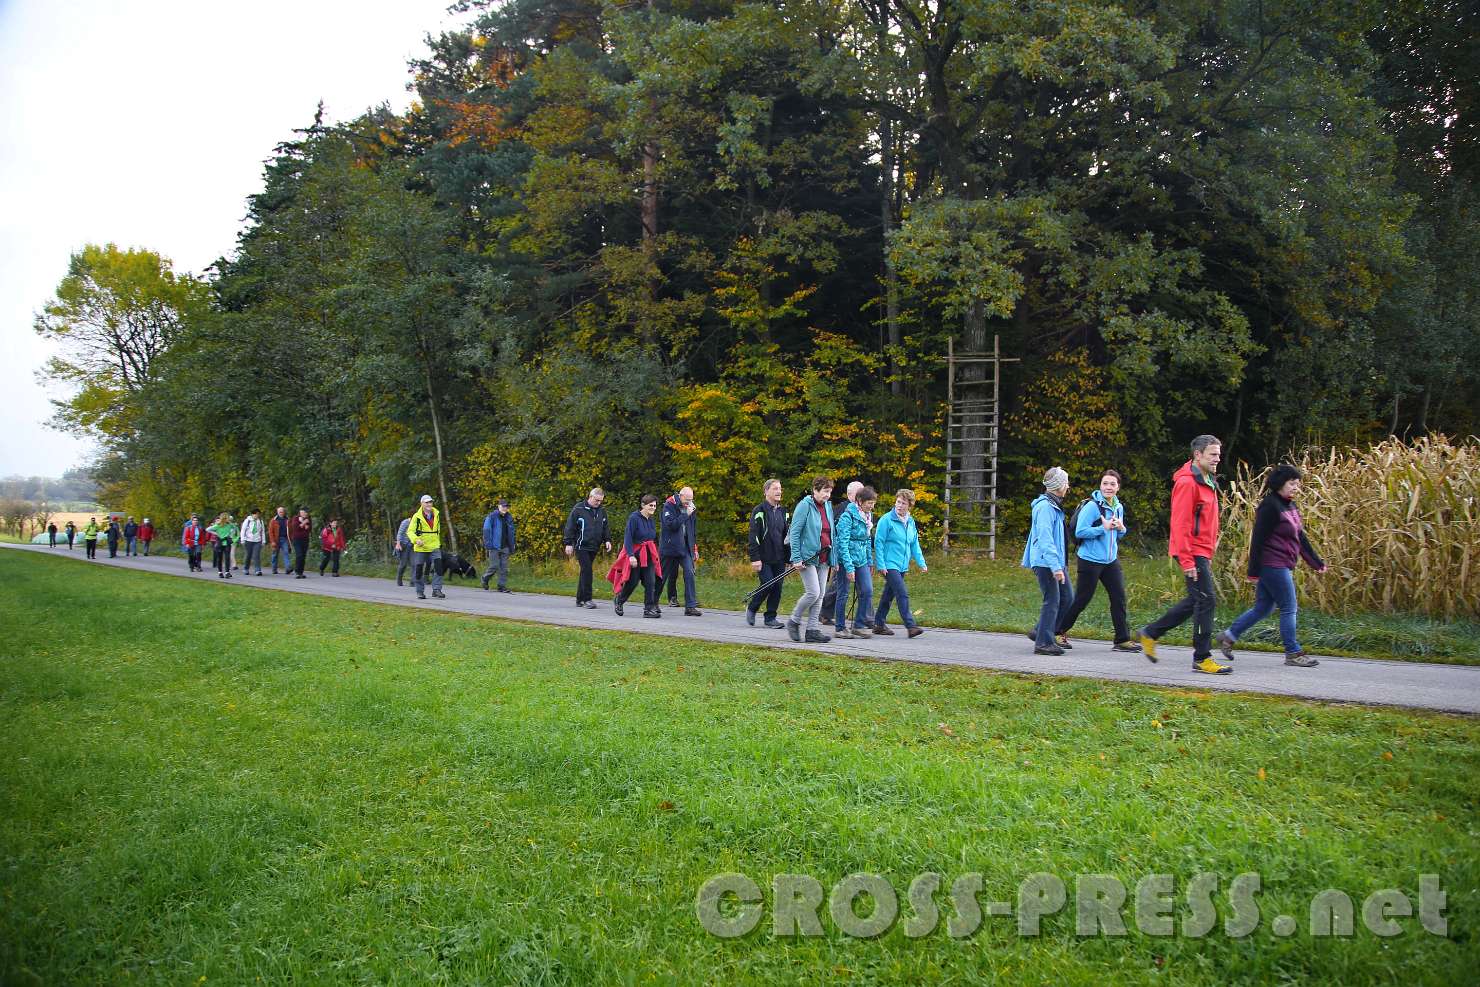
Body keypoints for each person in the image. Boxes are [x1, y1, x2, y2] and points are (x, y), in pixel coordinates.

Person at [1217, 465, 1328, 667]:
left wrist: (1316, 562)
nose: (1296, 488)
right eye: (1292, 484)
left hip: (1282, 563)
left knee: (1264, 608)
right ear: (1279, 484)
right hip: (1272, 563)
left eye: (1298, 484)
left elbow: (1299, 537)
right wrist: (1253, 571)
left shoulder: (1290, 505)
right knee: (1289, 607)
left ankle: (1229, 635)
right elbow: (1258, 539)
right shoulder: (1269, 506)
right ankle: (1293, 653)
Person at [1138, 434, 1231, 674]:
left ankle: (1150, 633)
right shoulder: (1188, 483)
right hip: (1190, 550)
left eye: (1218, 455)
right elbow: (1179, 524)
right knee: (1207, 600)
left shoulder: (1207, 479)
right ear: (1197, 455)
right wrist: (1188, 559)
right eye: (1212, 454)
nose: (1217, 459)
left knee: (1195, 600)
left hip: (1200, 550)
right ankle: (1202, 658)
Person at [1054, 470, 1141, 652]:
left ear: (1118, 487)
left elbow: (1118, 533)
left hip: (1110, 561)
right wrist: (1103, 528)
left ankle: (1122, 640)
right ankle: (1057, 632)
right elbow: (1080, 532)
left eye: (1112, 484)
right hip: (1090, 560)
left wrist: (1122, 528)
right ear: (1100, 486)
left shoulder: (1118, 507)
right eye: (1105, 484)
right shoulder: (1093, 507)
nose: (1108, 487)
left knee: (1119, 598)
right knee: (1082, 599)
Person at [1023, 468, 1074, 655]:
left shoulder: (1055, 505)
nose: (1068, 486)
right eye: (1066, 483)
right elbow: (1045, 539)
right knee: (1052, 600)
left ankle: (1040, 631)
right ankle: (1043, 643)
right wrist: (1055, 567)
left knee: (1068, 598)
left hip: (1055, 562)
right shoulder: (1045, 507)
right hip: (1046, 562)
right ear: (1059, 486)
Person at [872, 488, 928, 638]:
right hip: (889, 564)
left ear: (910, 505)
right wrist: (881, 564)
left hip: (902, 565)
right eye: (898, 502)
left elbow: (914, 544)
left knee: (888, 594)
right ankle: (911, 626)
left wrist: (921, 562)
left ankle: (878, 624)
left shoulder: (910, 521)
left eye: (903, 503)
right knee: (902, 593)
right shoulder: (886, 520)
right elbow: (879, 542)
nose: (900, 505)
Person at [786, 476, 836, 643]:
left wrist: (834, 559)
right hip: (808, 556)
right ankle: (794, 620)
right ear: (815, 490)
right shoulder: (804, 506)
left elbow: (831, 533)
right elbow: (795, 533)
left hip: (824, 556)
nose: (828, 495)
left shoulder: (828, 506)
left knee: (820, 594)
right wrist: (796, 557)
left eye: (830, 492)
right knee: (813, 592)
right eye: (825, 491)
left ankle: (812, 630)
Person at [833, 486, 877, 639]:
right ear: (859, 501)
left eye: (873, 503)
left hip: (862, 560)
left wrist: (870, 561)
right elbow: (842, 543)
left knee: (867, 591)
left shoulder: (867, 516)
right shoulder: (848, 516)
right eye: (869, 503)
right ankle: (839, 627)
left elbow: (867, 539)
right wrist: (849, 567)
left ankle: (859, 624)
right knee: (843, 593)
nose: (872, 506)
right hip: (846, 560)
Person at [610, 494, 663, 617]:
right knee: (632, 582)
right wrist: (631, 555)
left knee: (651, 582)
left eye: (655, 506)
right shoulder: (634, 518)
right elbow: (628, 538)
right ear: (643, 505)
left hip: (648, 555)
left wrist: (656, 553)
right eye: (650, 505)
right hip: (636, 555)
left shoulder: (651, 520)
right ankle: (619, 600)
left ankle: (648, 609)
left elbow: (652, 538)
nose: (653, 508)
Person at [745, 479, 789, 628]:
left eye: (780, 488)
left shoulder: (784, 511)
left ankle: (770, 618)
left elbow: (787, 536)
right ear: (766, 492)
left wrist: (789, 557)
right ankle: (752, 607)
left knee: (778, 587)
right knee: (768, 584)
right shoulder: (759, 511)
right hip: (763, 558)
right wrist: (755, 558)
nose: (779, 491)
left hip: (780, 557)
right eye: (775, 488)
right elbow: (753, 535)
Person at [562, 488, 611, 609]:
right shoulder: (578, 509)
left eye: (600, 501)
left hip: (594, 546)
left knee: (585, 572)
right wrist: (568, 543)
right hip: (581, 546)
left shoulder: (602, 511)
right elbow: (570, 526)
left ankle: (580, 599)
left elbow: (605, 527)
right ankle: (587, 599)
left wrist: (607, 540)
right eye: (596, 500)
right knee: (587, 570)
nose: (598, 503)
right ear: (590, 497)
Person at [661, 486, 701, 616]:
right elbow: (671, 525)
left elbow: (692, 529)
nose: (688, 502)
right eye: (687, 500)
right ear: (681, 495)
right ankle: (652, 602)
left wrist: (694, 547)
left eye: (691, 500)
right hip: (671, 547)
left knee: (689, 572)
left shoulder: (691, 507)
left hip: (685, 547)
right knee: (664, 575)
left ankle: (690, 606)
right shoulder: (669, 505)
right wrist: (685, 514)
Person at [410, 495, 445, 600]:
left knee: (439, 567)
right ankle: (420, 592)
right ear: (422, 504)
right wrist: (416, 540)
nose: (429, 504)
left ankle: (437, 590)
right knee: (419, 569)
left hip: (434, 546)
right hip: (421, 547)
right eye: (426, 502)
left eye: (430, 502)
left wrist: (438, 543)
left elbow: (437, 530)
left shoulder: (437, 514)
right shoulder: (417, 517)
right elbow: (410, 531)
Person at [480, 499, 517, 593]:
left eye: (506, 506)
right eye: (503, 506)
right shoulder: (492, 517)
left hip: (505, 546)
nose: (505, 508)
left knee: (504, 568)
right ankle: (485, 578)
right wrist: (488, 544)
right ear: (498, 506)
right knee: (494, 566)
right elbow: (486, 530)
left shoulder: (509, 517)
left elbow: (511, 533)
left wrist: (512, 546)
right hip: (494, 546)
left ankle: (501, 586)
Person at [208, 513, 236, 578]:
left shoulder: (229, 525)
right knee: (219, 558)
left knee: (227, 558)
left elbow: (234, 528)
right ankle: (220, 572)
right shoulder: (217, 525)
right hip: (220, 543)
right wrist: (216, 533)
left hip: (227, 543)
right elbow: (208, 529)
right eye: (227, 518)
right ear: (224, 518)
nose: (228, 519)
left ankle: (227, 572)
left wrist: (231, 534)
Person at [239, 509, 266, 575]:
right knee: (248, 555)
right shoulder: (247, 521)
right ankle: (246, 568)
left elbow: (262, 531)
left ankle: (257, 570)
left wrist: (263, 540)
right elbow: (243, 530)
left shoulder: (260, 521)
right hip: (248, 540)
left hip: (257, 541)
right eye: (256, 514)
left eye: (258, 514)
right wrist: (242, 539)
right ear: (252, 514)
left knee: (256, 555)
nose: (257, 515)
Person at [290, 508, 313, 579]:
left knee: (303, 556)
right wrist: (303, 523)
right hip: (297, 540)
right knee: (299, 555)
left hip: (305, 540)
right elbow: (296, 528)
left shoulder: (308, 519)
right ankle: (297, 572)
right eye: (301, 512)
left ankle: (301, 572)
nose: (302, 514)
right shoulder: (295, 518)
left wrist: (305, 524)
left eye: (304, 513)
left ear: (306, 513)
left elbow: (309, 529)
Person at [268, 507, 292, 574]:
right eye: (280, 512)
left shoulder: (287, 520)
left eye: (282, 511)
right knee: (275, 555)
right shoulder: (273, 520)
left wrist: (290, 539)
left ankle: (288, 568)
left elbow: (291, 531)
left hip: (284, 539)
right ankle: (274, 569)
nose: (281, 513)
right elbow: (270, 532)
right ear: (277, 512)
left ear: (284, 512)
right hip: (276, 540)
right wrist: (272, 541)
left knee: (286, 553)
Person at [393, 515, 414, 587]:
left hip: (412, 545)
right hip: (403, 546)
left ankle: (412, 582)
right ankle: (399, 579)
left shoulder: (417, 523)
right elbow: (400, 533)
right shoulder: (405, 522)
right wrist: (398, 544)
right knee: (403, 564)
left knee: (414, 563)